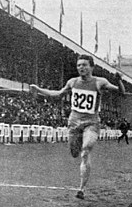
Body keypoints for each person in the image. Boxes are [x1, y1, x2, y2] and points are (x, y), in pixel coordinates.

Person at [30, 54, 125, 199]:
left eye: (84, 65)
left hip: (91, 123)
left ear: (91, 67)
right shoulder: (72, 82)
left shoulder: (100, 82)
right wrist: (38, 89)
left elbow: (121, 92)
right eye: (79, 65)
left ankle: (81, 189)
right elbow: (57, 94)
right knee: (75, 153)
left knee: (85, 151)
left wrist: (119, 80)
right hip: (74, 122)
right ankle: (80, 159)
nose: (81, 67)